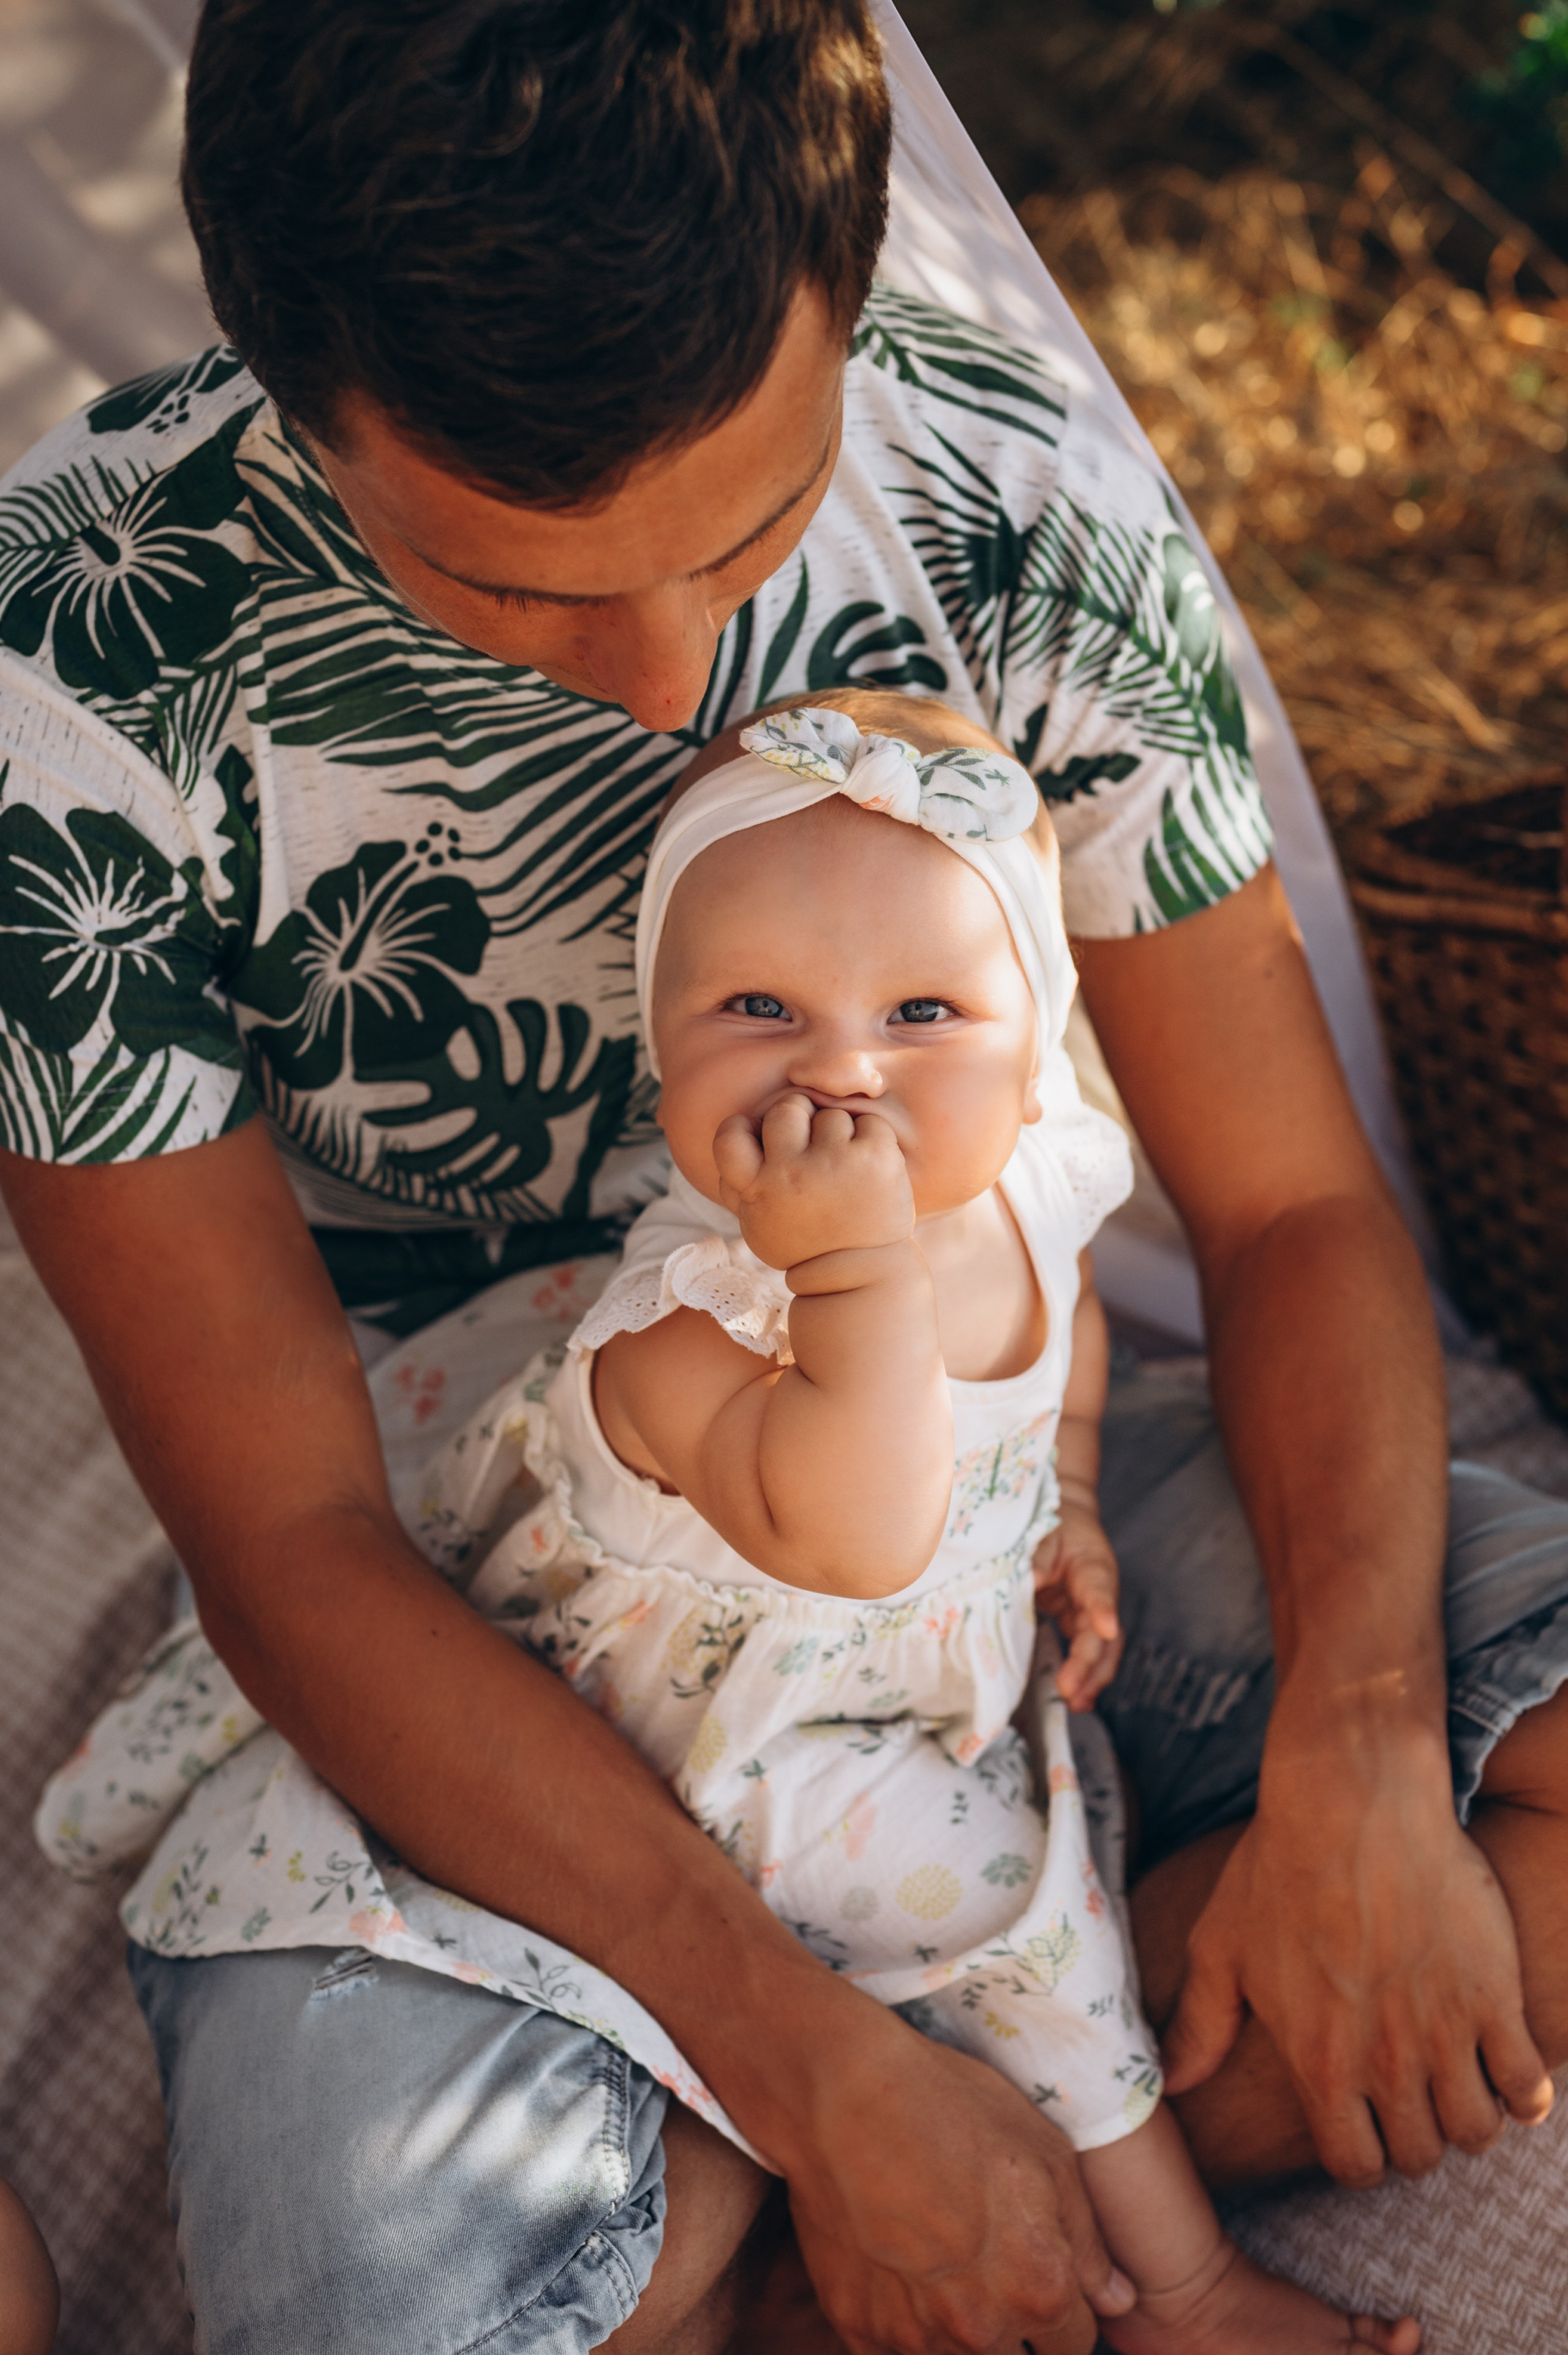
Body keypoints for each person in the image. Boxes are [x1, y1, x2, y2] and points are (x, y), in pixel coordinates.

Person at [3, 3, 1568, 2351]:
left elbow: (1285, 1213)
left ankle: (839, 2231)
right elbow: (293, 1541)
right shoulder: (76, 653)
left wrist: (1360, 1750)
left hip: (1000, 1505)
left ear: (842, 289)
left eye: (741, 535)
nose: (657, 689)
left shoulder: (1003, 474)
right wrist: (810, 2063)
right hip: (481, 1599)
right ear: (278, 376)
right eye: (507, 590)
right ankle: (863, 2159)